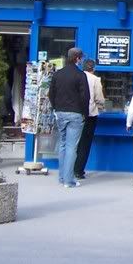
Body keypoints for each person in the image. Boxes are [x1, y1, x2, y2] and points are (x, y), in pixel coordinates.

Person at [48, 47, 89, 188]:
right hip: (75, 113)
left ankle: (62, 177)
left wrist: (56, 107)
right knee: (72, 147)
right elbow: (85, 97)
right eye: (81, 58)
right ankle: (68, 180)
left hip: (60, 113)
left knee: (63, 145)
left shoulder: (58, 74)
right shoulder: (80, 75)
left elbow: (50, 94)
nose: (82, 60)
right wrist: (85, 113)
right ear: (77, 58)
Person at [73, 59, 105, 181]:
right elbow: (99, 99)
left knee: (73, 142)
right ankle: (79, 170)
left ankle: (69, 168)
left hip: (75, 113)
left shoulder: (77, 77)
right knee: (85, 144)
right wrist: (101, 107)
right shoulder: (95, 80)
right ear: (94, 68)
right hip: (90, 114)